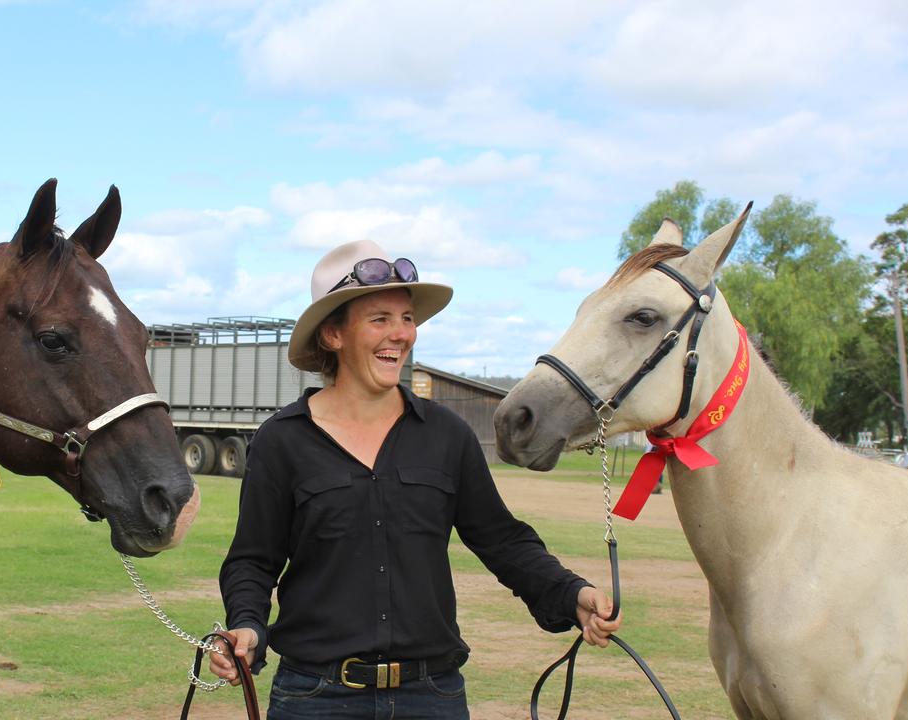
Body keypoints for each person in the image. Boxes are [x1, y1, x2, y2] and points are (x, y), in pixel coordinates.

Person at [211, 239, 621, 719]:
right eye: (379, 319)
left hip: (431, 697)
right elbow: (253, 562)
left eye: (406, 318)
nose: (401, 334)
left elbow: (503, 542)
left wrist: (571, 595)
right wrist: (247, 627)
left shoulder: (447, 436)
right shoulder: (281, 441)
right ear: (333, 335)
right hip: (315, 698)